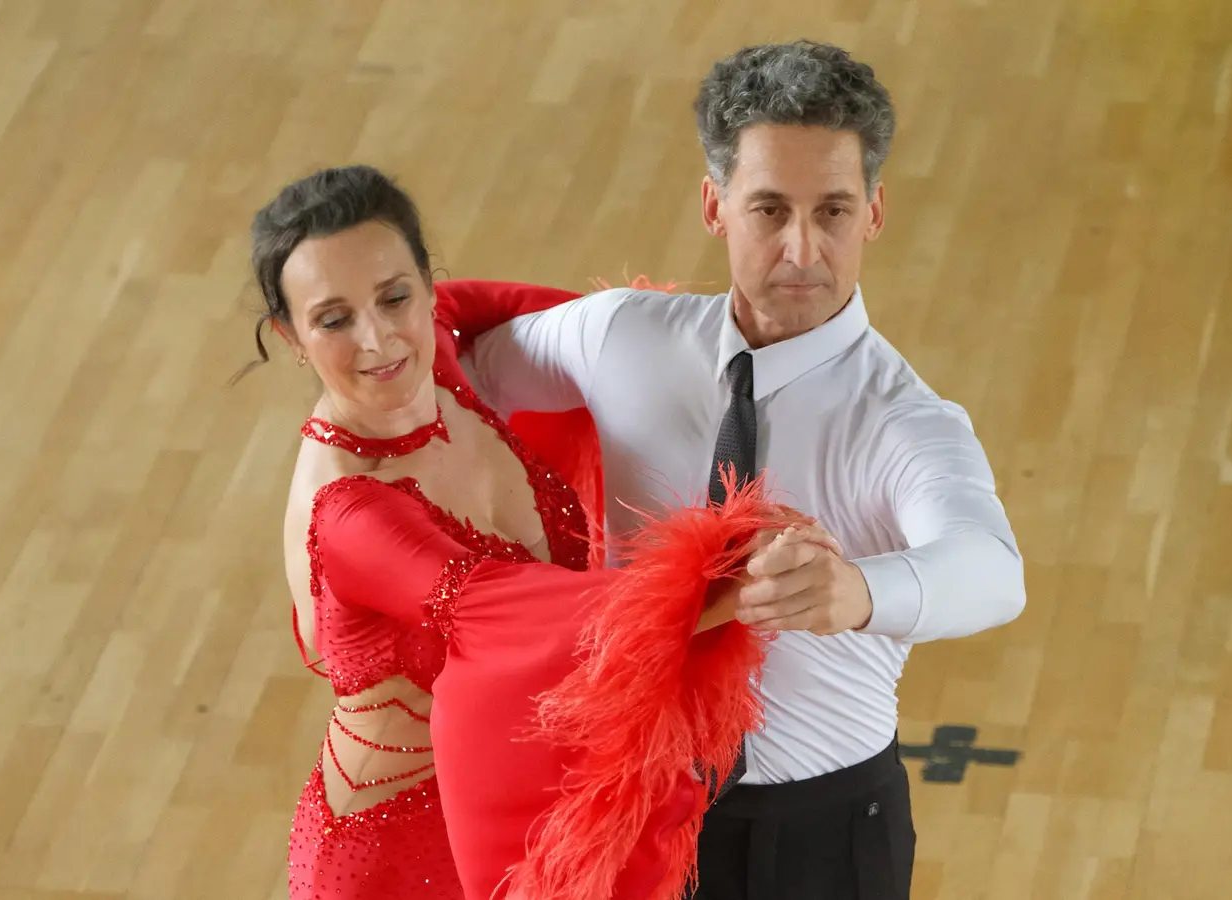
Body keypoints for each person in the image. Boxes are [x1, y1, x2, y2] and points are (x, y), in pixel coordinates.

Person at [437, 40, 1028, 899]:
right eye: (768, 211)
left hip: (821, 839)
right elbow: (450, 368)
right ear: (714, 206)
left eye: (832, 210)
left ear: (875, 211)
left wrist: (853, 593)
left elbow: (992, 570)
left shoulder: (904, 421)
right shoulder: (620, 339)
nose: (801, 249)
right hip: (632, 812)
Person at [250, 164, 820, 900]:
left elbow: (579, 321)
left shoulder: (439, 349)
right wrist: (735, 583)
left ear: (428, 284)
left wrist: (689, 351)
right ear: (289, 336)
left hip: (532, 802)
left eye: (396, 297)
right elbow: (516, 615)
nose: (379, 339)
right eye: (333, 319)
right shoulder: (350, 511)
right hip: (398, 856)